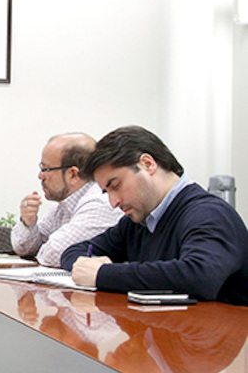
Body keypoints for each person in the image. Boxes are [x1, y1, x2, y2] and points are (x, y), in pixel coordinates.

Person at [61, 126, 248, 305]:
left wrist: (104, 274)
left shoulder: (209, 213)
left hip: (220, 326)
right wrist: (86, 267)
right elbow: (75, 251)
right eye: (107, 192)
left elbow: (200, 277)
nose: (113, 202)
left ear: (147, 164)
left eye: (116, 186)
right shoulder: (138, 222)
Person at [11, 133, 123, 267]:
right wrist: (28, 223)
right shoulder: (63, 204)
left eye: (46, 169)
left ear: (73, 174)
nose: (40, 176)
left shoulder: (99, 202)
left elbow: (53, 254)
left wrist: (41, 249)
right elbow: (24, 249)